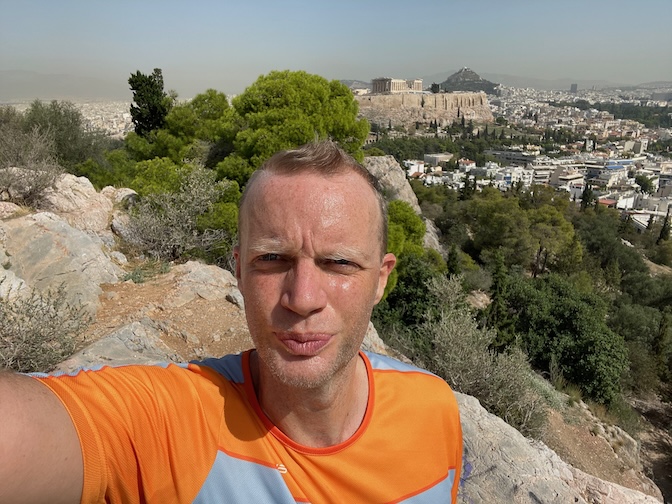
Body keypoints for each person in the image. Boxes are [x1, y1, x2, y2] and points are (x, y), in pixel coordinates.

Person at [0, 141, 462, 503]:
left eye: (339, 263)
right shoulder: (175, 425)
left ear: (381, 279)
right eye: (272, 259)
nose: (302, 298)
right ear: (237, 269)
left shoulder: (433, 410)